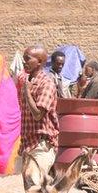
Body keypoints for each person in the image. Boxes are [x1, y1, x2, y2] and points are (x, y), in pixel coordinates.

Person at [17, 45, 59, 175]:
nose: (24, 62)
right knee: (17, 187)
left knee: (35, 188)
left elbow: (38, 115)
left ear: (40, 62)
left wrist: (27, 92)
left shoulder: (47, 83)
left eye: (28, 59)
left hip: (41, 146)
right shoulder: (26, 81)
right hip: (26, 145)